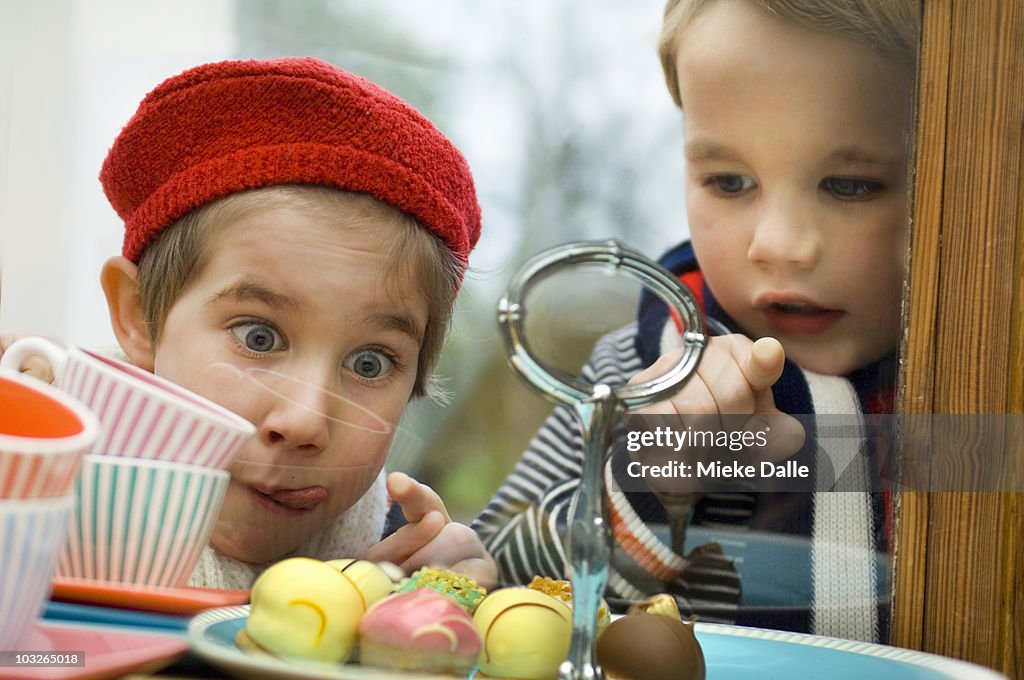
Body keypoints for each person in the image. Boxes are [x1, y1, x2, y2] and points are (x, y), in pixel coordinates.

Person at [474, 0, 918, 643]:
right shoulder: (637, 367)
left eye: (849, 185)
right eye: (729, 181)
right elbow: (491, 585)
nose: (779, 245)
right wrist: (647, 483)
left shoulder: (987, 382)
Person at [1, 57, 496, 591]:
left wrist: (434, 615)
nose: (306, 421)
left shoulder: (397, 556)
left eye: (369, 362)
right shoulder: (26, 489)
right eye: (259, 338)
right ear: (140, 317)